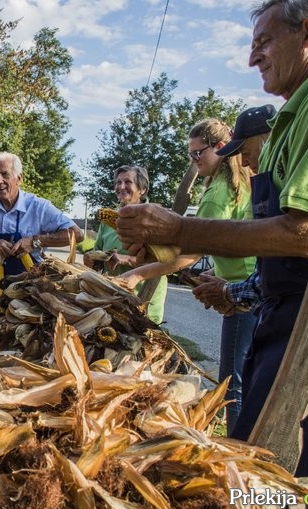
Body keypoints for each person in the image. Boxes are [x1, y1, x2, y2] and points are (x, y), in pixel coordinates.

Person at [115, 0, 308, 503]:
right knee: (253, 460)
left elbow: (305, 235)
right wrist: (165, 236)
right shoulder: (296, 112)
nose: (252, 57)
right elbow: (275, 243)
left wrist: (181, 230)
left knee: (295, 480)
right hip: (287, 308)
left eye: (262, 42)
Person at [117, 118, 257, 432]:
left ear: (221, 148)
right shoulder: (238, 182)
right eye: (190, 155)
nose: (194, 161)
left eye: (199, 153)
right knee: (248, 378)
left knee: (232, 385)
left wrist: (137, 274)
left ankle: (238, 447)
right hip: (248, 286)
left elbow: (187, 255)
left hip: (241, 294)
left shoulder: (217, 193)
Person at [0, 152, 83, 298]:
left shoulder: (38, 206)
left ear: (19, 178)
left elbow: (77, 234)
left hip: (28, 292)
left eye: (5, 174)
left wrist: (35, 241)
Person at [192, 105, 277, 316]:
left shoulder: (219, 193)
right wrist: (220, 277)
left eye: (246, 152)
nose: (245, 161)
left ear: (267, 142)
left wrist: (228, 291)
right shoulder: (253, 185)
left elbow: (192, 248)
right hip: (246, 291)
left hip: (248, 296)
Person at [83, 165, 167, 323]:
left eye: (128, 182)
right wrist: (92, 261)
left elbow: (167, 262)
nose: (121, 187)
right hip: (112, 297)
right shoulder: (107, 222)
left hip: (143, 299)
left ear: (142, 189)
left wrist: (126, 259)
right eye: (118, 182)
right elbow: (98, 258)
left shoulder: (157, 217)